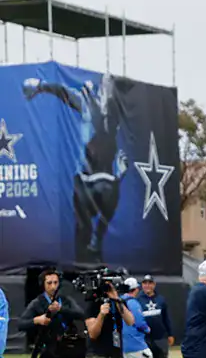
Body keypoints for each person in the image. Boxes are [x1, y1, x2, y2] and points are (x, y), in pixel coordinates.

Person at [22, 74, 128, 263]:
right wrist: (42, 86)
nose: (109, 93)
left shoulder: (114, 112)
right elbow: (65, 93)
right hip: (86, 177)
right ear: (101, 89)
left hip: (105, 178)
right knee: (83, 228)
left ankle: (94, 251)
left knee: (100, 220)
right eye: (106, 88)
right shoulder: (87, 102)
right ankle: (85, 257)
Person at [137, 275, 176, 358]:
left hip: (160, 337)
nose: (147, 285)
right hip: (145, 338)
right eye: (145, 283)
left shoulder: (161, 299)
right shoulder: (138, 300)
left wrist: (170, 334)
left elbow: (167, 318)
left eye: (150, 283)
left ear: (154, 284)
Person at [119, 278, 153, 358]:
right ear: (135, 289)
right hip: (135, 340)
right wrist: (146, 329)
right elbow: (138, 321)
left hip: (123, 341)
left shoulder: (119, 301)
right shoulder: (133, 303)